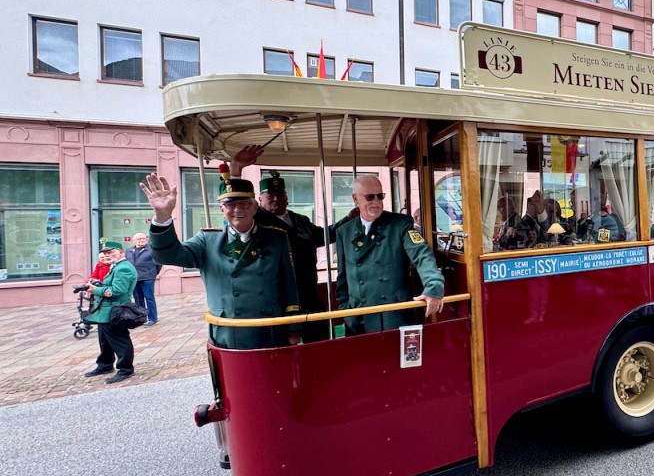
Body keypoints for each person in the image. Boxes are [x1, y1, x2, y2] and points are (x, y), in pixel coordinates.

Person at [142, 169, 302, 349]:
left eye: (244, 204)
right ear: (222, 209)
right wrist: (162, 217)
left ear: (255, 207)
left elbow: (289, 285)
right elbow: (166, 255)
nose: (238, 210)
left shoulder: (277, 238)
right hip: (228, 332)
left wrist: (293, 328)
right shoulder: (207, 241)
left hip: (270, 330)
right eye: (230, 205)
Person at [229, 146, 329, 343]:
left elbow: (322, 236)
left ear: (287, 198)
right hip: (276, 297)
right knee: (282, 346)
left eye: (280, 195)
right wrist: (236, 170)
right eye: (270, 196)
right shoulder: (255, 220)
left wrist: (350, 219)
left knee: (319, 342)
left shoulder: (300, 220)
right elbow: (236, 201)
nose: (276, 199)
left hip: (308, 293)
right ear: (259, 201)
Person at [332, 175, 444, 335]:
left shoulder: (400, 224)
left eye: (380, 196)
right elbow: (342, 278)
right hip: (358, 319)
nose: (376, 201)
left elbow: (421, 253)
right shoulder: (344, 231)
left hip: (393, 316)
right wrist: (345, 310)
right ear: (355, 199)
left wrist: (434, 284)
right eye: (370, 197)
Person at [83, 240, 139, 384]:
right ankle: (105, 365)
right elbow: (110, 285)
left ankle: (126, 369)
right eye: (105, 253)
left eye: (111, 252)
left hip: (115, 310)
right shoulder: (116, 266)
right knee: (105, 340)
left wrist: (96, 290)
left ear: (121, 252)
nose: (107, 255)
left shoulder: (123, 268)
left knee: (119, 340)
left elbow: (118, 290)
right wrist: (96, 285)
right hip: (106, 310)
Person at [126, 232, 161, 326]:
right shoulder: (128, 250)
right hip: (134, 279)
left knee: (149, 298)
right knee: (138, 299)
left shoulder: (152, 250)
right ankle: (142, 318)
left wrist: (154, 272)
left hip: (148, 277)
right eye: (139, 239)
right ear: (134, 241)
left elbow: (159, 262)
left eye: (143, 238)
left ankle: (152, 318)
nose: (141, 240)